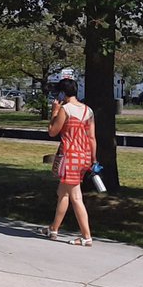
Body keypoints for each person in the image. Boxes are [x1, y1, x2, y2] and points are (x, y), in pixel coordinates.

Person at [42, 78, 96, 246]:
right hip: (84, 156)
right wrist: (93, 159)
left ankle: (86, 237)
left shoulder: (65, 109)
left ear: (63, 93)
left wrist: (54, 112)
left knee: (75, 197)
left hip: (69, 157)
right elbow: (92, 137)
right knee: (62, 193)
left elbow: (52, 132)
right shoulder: (88, 110)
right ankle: (53, 229)